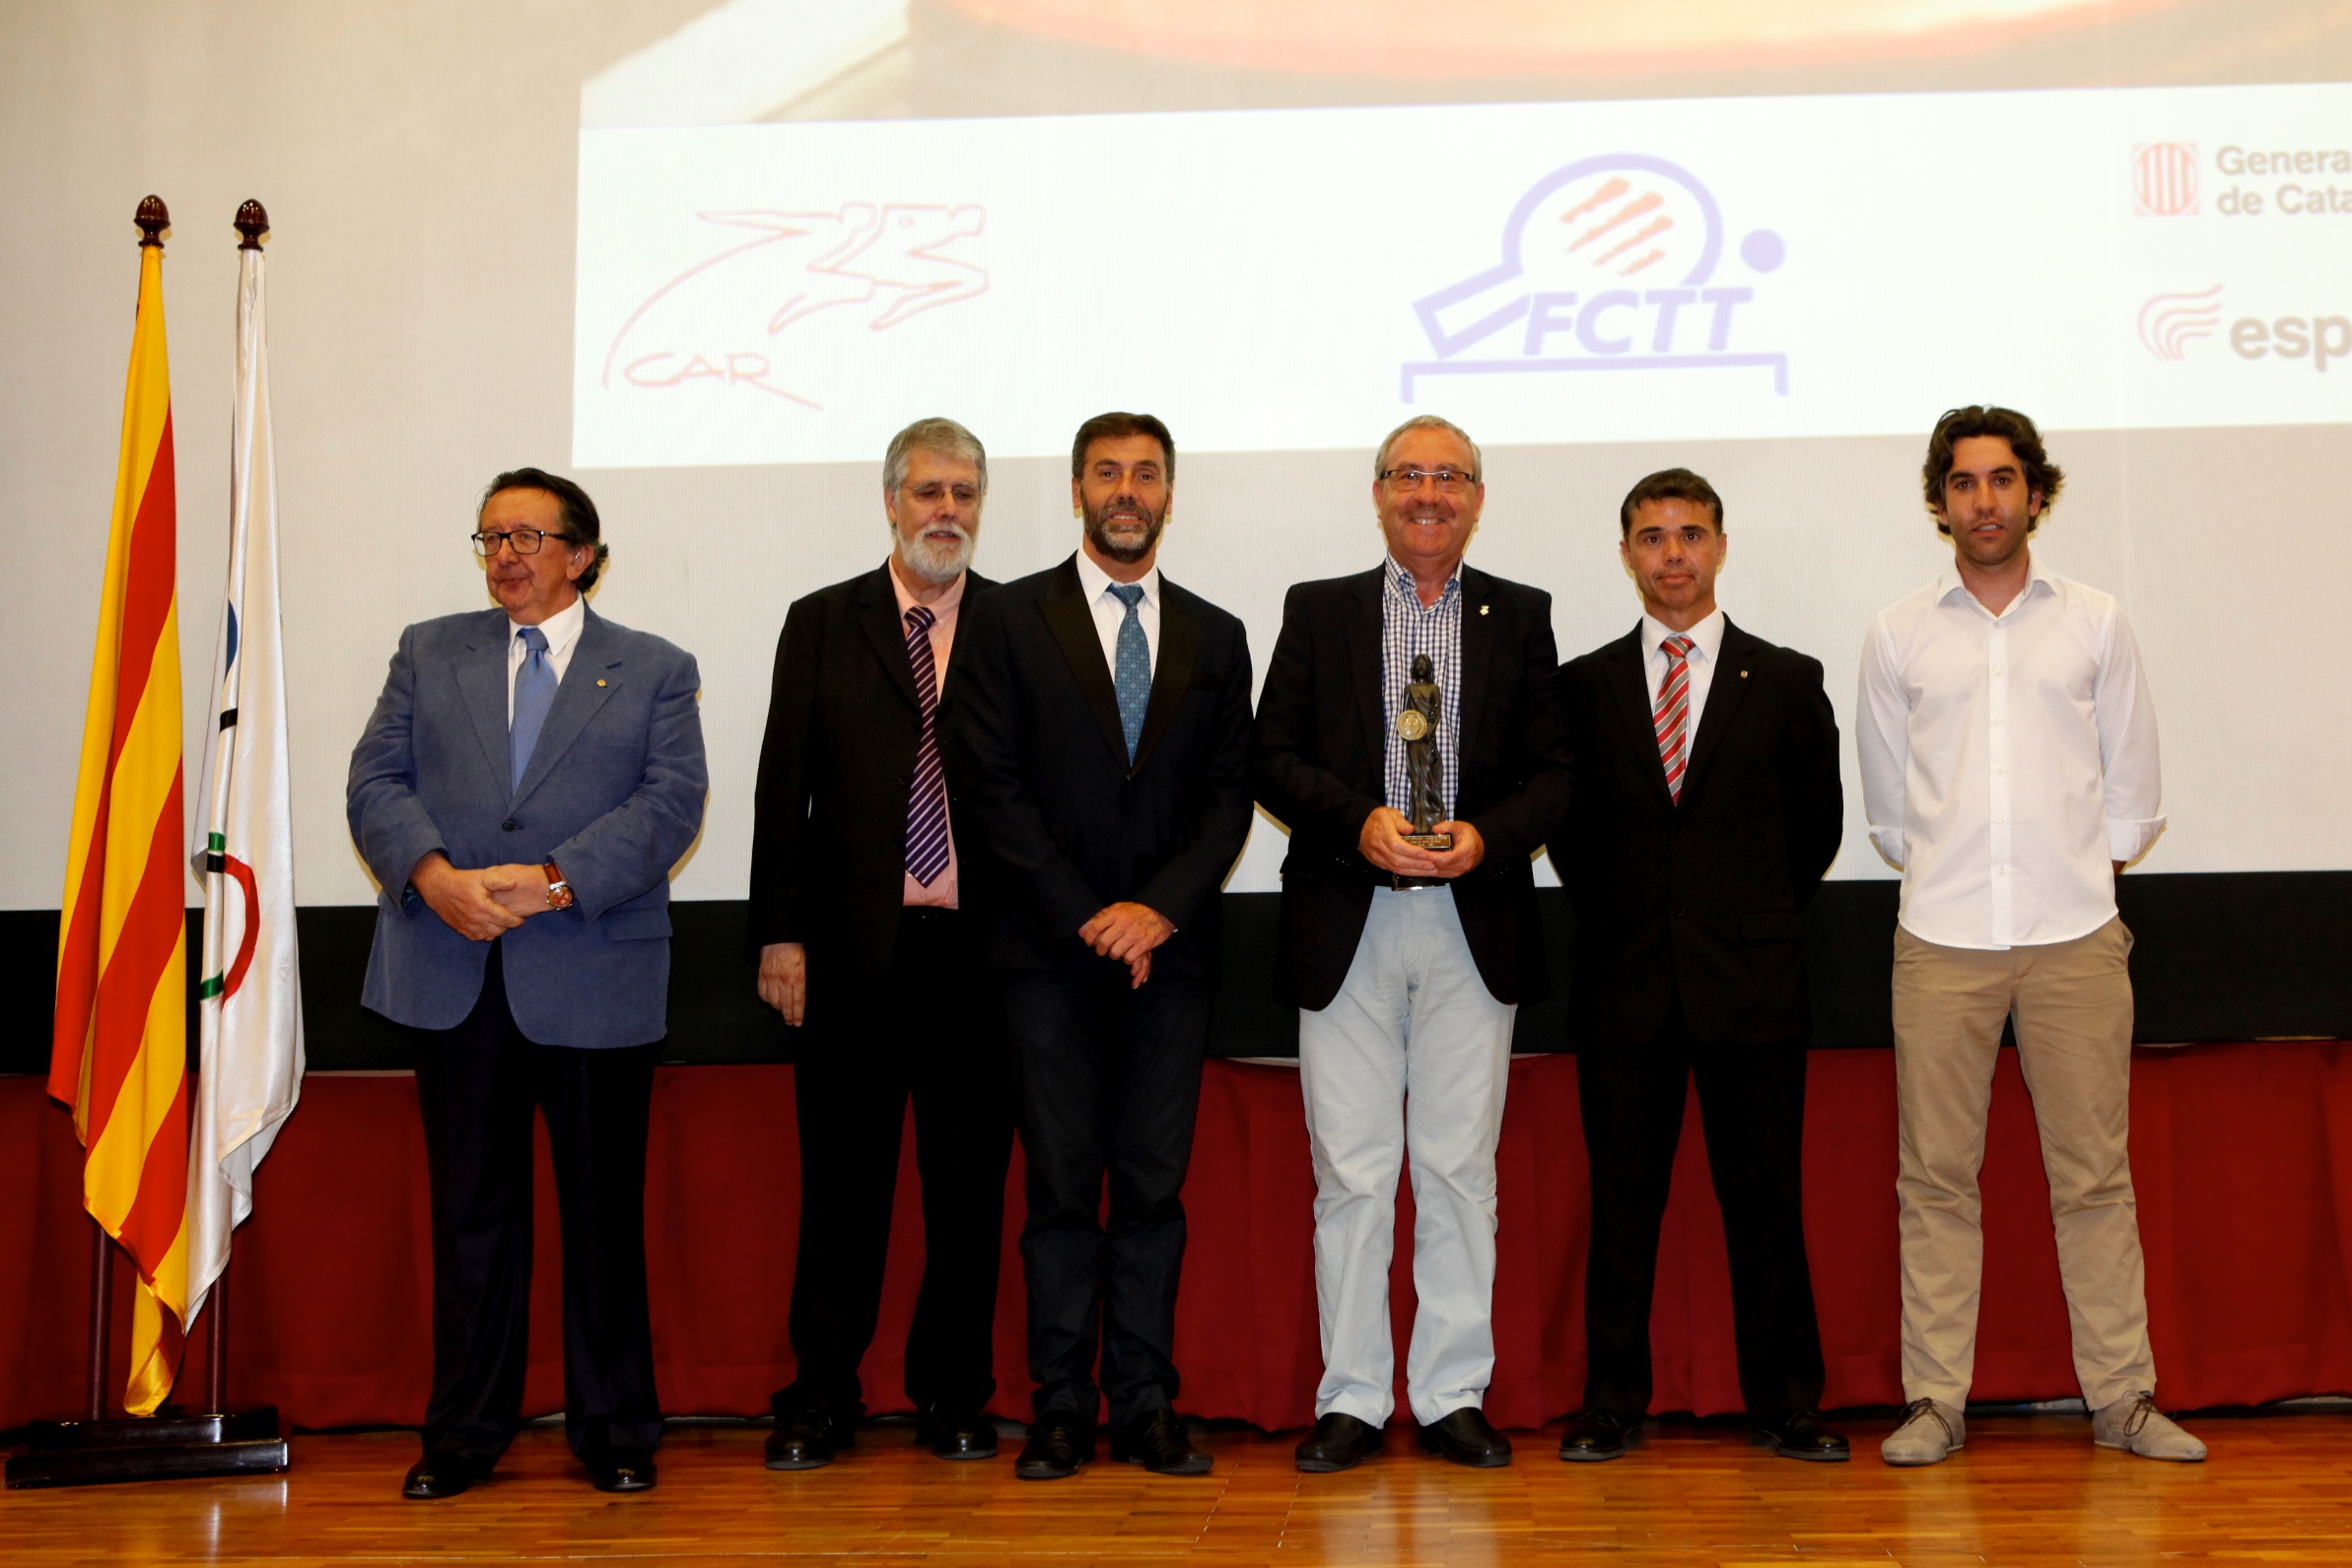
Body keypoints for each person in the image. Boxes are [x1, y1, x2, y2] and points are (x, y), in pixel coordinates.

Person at [347, 468, 707, 1499]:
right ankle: (463, 1433)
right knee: (471, 1217)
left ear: (581, 555)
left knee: (601, 1219)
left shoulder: (653, 667)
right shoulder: (429, 650)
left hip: (592, 973)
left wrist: (553, 881)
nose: (505, 555)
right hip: (450, 969)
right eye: (491, 537)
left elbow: (671, 803)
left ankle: (616, 1429)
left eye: (527, 537)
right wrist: (432, 877)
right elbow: (373, 780)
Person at [1859, 406, 2204, 1466]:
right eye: (1963, 482)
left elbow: (2132, 792)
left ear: (2035, 494)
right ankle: (1934, 1400)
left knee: (2094, 1177)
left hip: (2075, 936)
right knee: (1934, 1179)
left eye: (2002, 479)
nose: (1984, 500)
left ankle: (2123, 1399)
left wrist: (2068, 876)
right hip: (1941, 937)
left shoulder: (2095, 621)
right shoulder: (1897, 633)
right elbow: (1889, 813)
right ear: (1940, 503)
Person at [1251, 413, 1571, 1473]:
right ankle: (1349, 1396)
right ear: (1379, 491)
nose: (1427, 493)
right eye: (1407, 474)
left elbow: (1555, 773)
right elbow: (1271, 755)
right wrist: (1357, 822)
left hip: (1474, 921)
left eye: (1449, 476)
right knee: (1350, 1173)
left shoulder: (1521, 614)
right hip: (1347, 917)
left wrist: (1488, 836)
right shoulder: (1318, 609)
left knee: (1457, 1169)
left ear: (1475, 497)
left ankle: (1449, 1393)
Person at [945, 412, 1255, 1481]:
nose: (1128, 491)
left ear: (1169, 493)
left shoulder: (1218, 634)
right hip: (1047, 957)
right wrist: (1087, 913)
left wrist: (1155, 910)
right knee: (1062, 1192)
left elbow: (1228, 799)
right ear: (1076, 489)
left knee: (1154, 1195)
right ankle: (1063, 1407)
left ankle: (1147, 1403)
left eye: (1147, 474)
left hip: (1171, 959)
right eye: (1108, 473)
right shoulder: (1006, 618)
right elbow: (986, 782)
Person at [1548, 469, 1846, 1465]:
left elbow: (1814, 829)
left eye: (1689, 534)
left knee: (1765, 1205)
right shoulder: (1583, 686)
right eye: (1651, 536)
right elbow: (1572, 838)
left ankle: (1787, 1403)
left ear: (1719, 546)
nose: (1671, 554)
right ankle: (1609, 1403)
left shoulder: (1787, 679)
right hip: (1624, 982)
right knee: (1621, 1206)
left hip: (1750, 986)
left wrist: (1736, 920)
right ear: (1626, 553)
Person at [746, 418, 1014, 1469]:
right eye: (929, 492)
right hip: (851, 956)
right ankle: (819, 1397)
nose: (947, 511)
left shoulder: (1017, 624)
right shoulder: (823, 621)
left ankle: (953, 1394)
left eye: (964, 493)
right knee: (842, 1193)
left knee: (966, 1195)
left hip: (978, 959)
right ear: (892, 501)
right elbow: (783, 789)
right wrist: (779, 931)